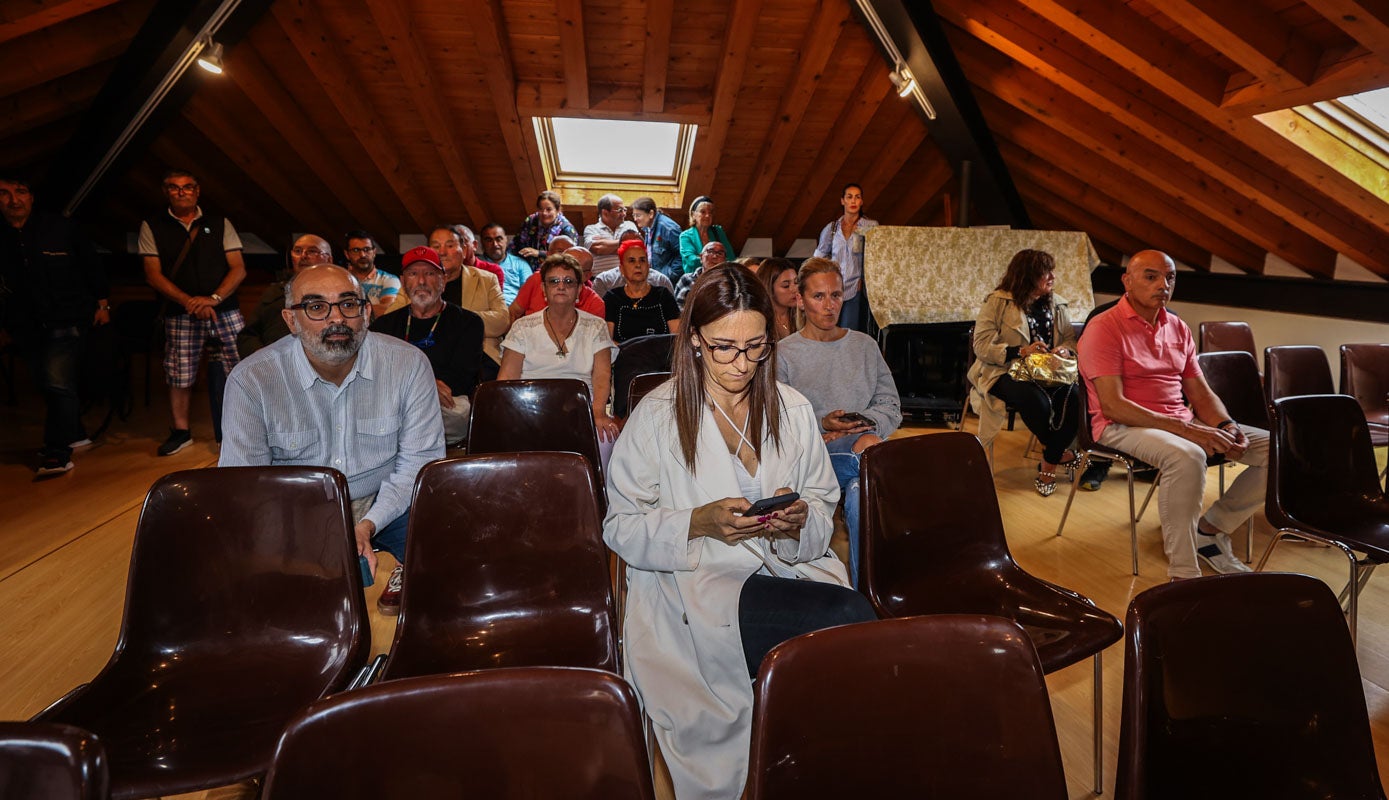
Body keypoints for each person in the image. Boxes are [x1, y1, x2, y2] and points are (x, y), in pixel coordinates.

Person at [604, 264, 875, 800]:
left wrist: (799, 523)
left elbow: (821, 500)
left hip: (785, 566)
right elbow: (621, 526)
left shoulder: (792, 409)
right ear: (695, 340)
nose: (742, 364)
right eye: (725, 347)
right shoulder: (658, 416)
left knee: (848, 635)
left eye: (757, 348)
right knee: (847, 622)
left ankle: (816, 765)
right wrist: (697, 522)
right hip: (698, 583)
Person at [220, 265, 444, 615]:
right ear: (290, 320)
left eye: (348, 304)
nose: (335, 318)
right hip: (294, 510)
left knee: (449, 558)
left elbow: (419, 464)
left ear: (366, 313)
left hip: (387, 500)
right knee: (253, 590)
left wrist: (367, 525)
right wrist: (317, 534)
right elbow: (244, 487)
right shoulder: (251, 380)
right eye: (316, 307)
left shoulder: (409, 365)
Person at [1079, 249, 1267, 579]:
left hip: (1176, 420)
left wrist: (1226, 424)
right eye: (1151, 276)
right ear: (1127, 281)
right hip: (1120, 424)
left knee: (1276, 448)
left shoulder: (1177, 327)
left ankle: (1209, 529)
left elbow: (1201, 393)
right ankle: (1183, 573)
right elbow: (1113, 405)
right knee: (1189, 455)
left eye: (1170, 277)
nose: (1163, 285)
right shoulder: (1104, 327)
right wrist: (1188, 430)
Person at [776, 257, 901, 584]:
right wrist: (822, 424)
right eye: (819, 297)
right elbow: (776, 417)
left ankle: (868, 596)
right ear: (800, 300)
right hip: (810, 457)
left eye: (835, 295)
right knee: (872, 458)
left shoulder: (864, 346)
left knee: (862, 493)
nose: (830, 305)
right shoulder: (785, 353)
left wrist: (860, 425)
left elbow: (890, 404)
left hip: (861, 447)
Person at [0, 174, 109, 476]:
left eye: (20, 191)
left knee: (59, 383)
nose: (13, 199)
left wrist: (102, 304)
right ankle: (74, 431)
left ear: (31, 197)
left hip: (67, 318)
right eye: (5, 193)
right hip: (25, 325)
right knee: (46, 386)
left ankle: (56, 453)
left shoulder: (60, 228)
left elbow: (91, 265)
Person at [139, 168, 246, 456]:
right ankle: (182, 430)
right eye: (174, 188)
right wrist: (190, 301)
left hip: (223, 309)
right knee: (180, 373)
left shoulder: (220, 223)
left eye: (187, 187)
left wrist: (213, 298)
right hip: (179, 311)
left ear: (197, 191)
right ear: (166, 192)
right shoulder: (152, 225)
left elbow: (238, 268)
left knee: (239, 369)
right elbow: (153, 274)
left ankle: (240, 431)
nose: (181, 192)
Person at [966, 248, 1081, 496]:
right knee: (1034, 401)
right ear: (1027, 275)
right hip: (1003, 370)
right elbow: (981, 345)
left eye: (1052, 271)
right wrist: (1021, 351)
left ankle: (1049, 459)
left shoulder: (1058, 303)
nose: (1052, 277)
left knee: (1076, 399)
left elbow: (1071, 341)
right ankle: (1056, 456)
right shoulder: (998, 301)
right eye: (1045, 272)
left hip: (1050, 372)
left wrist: (1063, 351)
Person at [499, 253, 620, 448]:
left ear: (580, 289)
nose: (561, 286)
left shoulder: (596, 326)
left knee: (605, 440)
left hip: (581, 410)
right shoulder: (522, 327)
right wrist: (516, 417)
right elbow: (506, 381)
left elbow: (602, 376)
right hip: (530, 409)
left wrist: (597, 413)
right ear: (543, 289)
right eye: (553, 281)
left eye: (569, 281)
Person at [370, 247, 483, 445]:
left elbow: (462, 378)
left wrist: (413, 387)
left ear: (444, 280)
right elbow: (376, 374)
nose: (421, 281)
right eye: (413, 274)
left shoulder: (469, 322)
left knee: (459, 412)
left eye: (430, 274)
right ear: (403, 281)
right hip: (395, 402)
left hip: (444, 405)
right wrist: (426, 384)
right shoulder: (383, 325)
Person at [428, 224, 508, 381]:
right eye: (436, 246)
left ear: (464, 250)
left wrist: (456, 319)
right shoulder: (417, 281)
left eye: (450, 245)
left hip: (479, 357)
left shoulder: (486, 279)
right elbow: (394, 319)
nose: (442, 252)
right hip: (430, 358)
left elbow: (502, 320)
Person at [237, 233, 333, 358]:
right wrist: (259, 353)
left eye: (312, 251)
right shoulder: (275, 292)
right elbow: (248, 335)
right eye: (298, 251)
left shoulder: (339, 293)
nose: (303, 256)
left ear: (329, 259)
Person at [813, 183, 878, 332]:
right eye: (849, 197)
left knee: (849, 331)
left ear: (861, 202)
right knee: (830, 329)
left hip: (857, 287)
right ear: (843, 201)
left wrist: (865, 281)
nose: (853, 201)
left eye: (857, 197)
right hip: (833, 288)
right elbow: (818, 256)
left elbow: (876, 258)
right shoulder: (832, 228)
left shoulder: (870, 226)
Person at [603, 239, 680, 344]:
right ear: (621, 269)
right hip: (623, 357)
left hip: (660, 357)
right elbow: (607, 341)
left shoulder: (663, 295)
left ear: (648, 266)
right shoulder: (612, 298)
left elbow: (677, 337)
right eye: (632, 261)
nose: (638, 265)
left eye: (642, 260)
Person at [507, 245, 606, 319]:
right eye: (561, 266)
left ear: (587, 276)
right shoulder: (537, 279)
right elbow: (513, 313)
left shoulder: (595, 304)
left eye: (573, 271)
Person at [508, 190, 578, 270]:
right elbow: (515, 243)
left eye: (549, 209)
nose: (544, 213)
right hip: (525, 268)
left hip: (556, 270)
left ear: (557, 210)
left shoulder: (567, 229)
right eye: (541, 209)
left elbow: (570, 257)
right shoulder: (530, 220)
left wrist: (539, 253)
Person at [344, 230, 400, 318]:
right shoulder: (339, 280)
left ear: (374, 252)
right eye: (356, 250)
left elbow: (388, 311)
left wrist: (348, 310)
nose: (362, 255)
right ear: (347, 254)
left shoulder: (389, 279)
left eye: (366, 249)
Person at [582, 193, 639, 276]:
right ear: (605, 213)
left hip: (627, 281)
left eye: (624, 209)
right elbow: (598, 249)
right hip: (600, 282)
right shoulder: (591, 229)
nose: (624, 214)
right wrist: (626, 242)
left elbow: (635, 247)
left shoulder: (629, 225)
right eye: (620, 210)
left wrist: (606, 244)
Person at [479, 222, 533, 306]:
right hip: (484, 311)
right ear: (482, 243)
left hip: (514, 312)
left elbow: (529, 292)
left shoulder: (520, 264)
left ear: (506, 240)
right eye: (489, 240)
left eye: (499, 239)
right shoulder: (475, 264)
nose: (495, 244)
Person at [631, 196, 684, 283]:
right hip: (654, 278)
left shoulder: (668, 228)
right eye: (634, 215)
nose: (635, 219)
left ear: (651, 214)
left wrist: (671, 274)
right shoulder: (647, 227)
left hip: (667, 280)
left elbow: (682, 255)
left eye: (638, 215)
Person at [678, 195, 735, 274]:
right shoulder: (686, 236)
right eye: (703, 212)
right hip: (696, 278)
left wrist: (706, 259)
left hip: (719, 275)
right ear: (693, 214)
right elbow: (692, 261)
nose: (708, 215)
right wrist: (718, 259)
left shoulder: (718, 231)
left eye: (710, 212)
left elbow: (731, 257)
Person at [756, 257, 799, 340]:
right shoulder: (759, 321)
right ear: (769, 288)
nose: (795, 289)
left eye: (796, 282)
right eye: (786, 286)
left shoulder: (803, 315)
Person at [674, 240, 727, 306]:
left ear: (724, 261)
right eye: (710, 251)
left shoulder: (726, 285)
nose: (714, 256)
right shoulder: (687, 279)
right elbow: (676, 307)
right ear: (701, 257)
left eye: (720, 253)